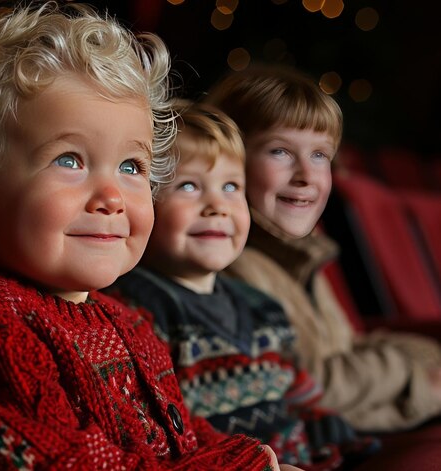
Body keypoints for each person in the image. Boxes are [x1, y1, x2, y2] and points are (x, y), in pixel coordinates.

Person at [0, 4, 302, 470]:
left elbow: (179, 437)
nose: (112, 196)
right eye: (69, 160)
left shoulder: (126, 324)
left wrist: (261, 459)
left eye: (131, 167)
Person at [106, 100, 378, 470]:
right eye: (189, 185)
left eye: (231, 186)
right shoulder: (136, 310)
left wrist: (326, 425)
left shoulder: (262, 305)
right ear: (146, 202)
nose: (217, 205)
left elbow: (294, 387)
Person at [204, 64, 441, 432]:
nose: (305, 175)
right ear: (228, 162)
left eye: (320, 155)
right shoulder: (237, 269)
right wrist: (417, 382)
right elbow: (308, 392)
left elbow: (347, 348)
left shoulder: (301, 255)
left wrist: (424, 358)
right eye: (280, 151)